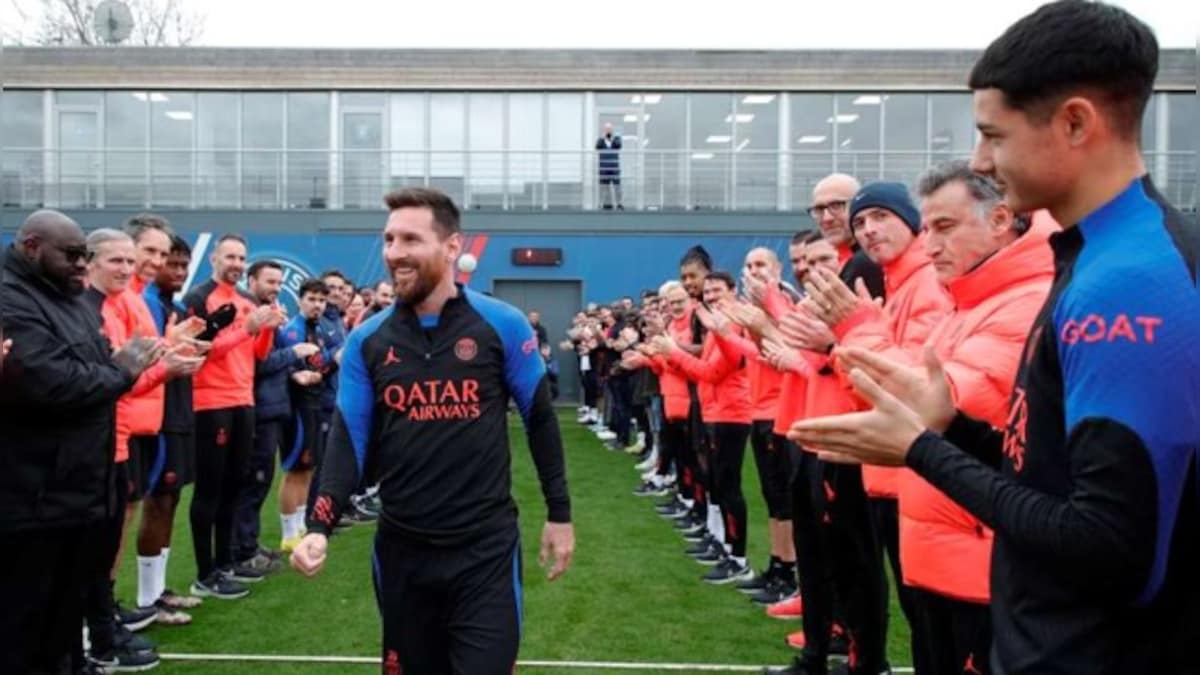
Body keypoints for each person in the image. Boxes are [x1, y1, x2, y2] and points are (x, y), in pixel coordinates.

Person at [790, 2, 1199, 673]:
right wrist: (949, 427)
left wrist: (921, 449)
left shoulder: (1130, 282)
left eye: (994, 135)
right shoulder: (1098, 257)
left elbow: (1107, 546)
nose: (980, 159)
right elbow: (1050, 472)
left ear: (1075, 122)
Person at [291, 187, 574, 674]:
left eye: (410, 239)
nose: (394, 253)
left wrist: (560, 513)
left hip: (484, 550)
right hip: (403, 553)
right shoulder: (367, 340)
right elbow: (347, 440)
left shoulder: (501, 324)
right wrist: (319, 525)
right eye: (388, 240)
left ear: (451, 247)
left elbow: (541, 422)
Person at [0, 211, 163, 674]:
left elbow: (94, 369)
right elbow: (48, 382)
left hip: (77, 492)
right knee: (24, 629)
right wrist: (120, 370)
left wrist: (116, 369)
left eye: (83, 256)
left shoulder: (66, 297)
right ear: (31, 247)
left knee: (63, 625)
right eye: (72, 255)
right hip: (32, 502)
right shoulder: (11, 300)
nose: (80, 264)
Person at [184, 234, 285, 599]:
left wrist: (267, 327)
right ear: (214, 258)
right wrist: (248, 328)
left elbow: (256, 354)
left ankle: (225, 563)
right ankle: (204, 572)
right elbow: (199, 352)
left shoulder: (244, 300)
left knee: (234, 486)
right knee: (210, 489)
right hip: (210, 403)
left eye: (242, 257)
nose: (237, 264)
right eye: (230, 256)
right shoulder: (198, 299)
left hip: (244, 401)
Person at [136, 233, 211, 617]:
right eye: (170, 262)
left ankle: (156, 591)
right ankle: (146, 599)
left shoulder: (174, 305)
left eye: (182, 263)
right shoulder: (146, 303)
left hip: (178, 409)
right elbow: (143, 357)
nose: (178, 270)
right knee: (157, 500)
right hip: (157, 414)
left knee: (170, 499)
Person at [235, 259, 318, 571]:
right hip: (258, 408)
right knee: (253, 481)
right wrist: (292, 356)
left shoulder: (269, 316)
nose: (274, 288)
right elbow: (257, 364)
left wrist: (294, 372)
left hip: (272, 406)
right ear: (252, 280)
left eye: (278, 283)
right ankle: (242, 550)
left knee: (260, 481)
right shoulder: (250, 315)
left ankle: (249, 545)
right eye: (269, 282)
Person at [276, 278, 344, 550]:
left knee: (308, 468)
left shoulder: (317, 330)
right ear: (300, 300)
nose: (317, 305)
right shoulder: (293, 330)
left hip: (315, 403)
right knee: (295, 468)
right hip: (298, 406)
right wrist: (332, 359)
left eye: (321, 300)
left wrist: (332, 360)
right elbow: (294, 367)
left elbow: (319, 367)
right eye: (312, 299)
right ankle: (288, 533)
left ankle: (301, 525)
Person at [596, 122, 623, 210]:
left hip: (614, 167)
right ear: (604, 130)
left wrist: (611, 138)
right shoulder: (600, 140)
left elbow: (618, 146)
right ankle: (607, 204)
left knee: (617, 187)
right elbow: (597, 147)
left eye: (609, 129)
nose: (608, 131)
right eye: (606, 129)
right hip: (604, 168)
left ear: (612, 130)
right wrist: (604, 137)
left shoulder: (616, 138)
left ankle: (619, 203)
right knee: (604, 187)